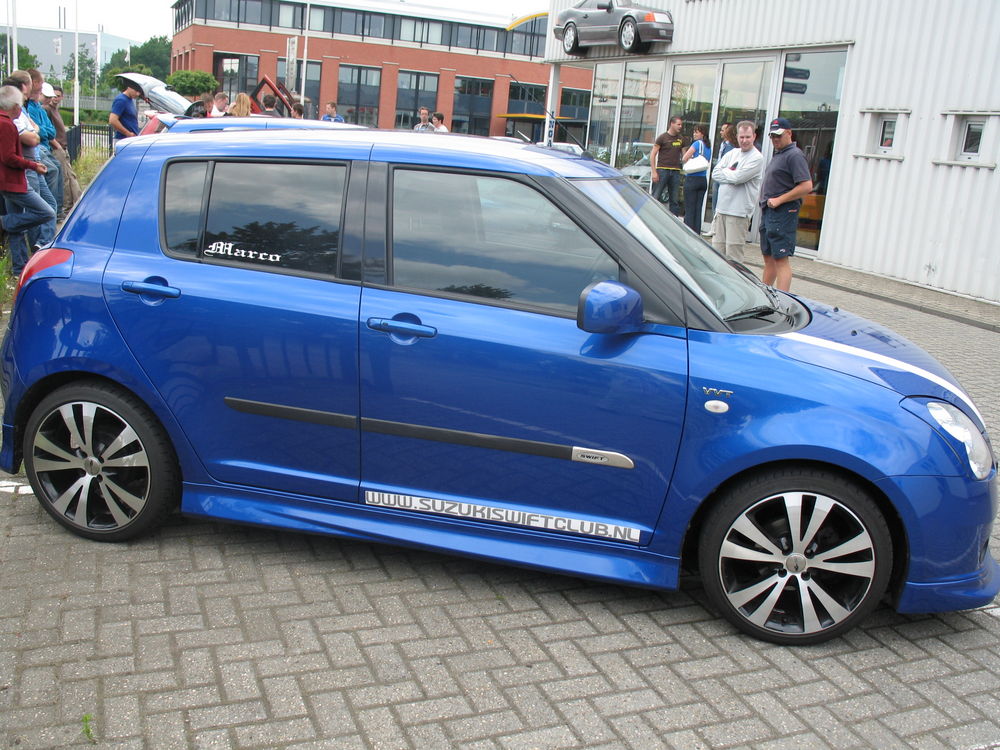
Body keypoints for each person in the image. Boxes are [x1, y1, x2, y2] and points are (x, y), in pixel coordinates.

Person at [0, 84, 55, 278]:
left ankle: (19, 268)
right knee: (46, 212)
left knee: (16, 227)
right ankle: (3, 222)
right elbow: (8, 157)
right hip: (13, 181)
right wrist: (33, 165)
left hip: (8, 181)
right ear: (15, 106)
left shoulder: (4, 122)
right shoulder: (7, 125)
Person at [759, 117, 812, 291]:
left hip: (782, 213)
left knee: (781, 259)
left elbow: (806, 186)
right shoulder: (780, 154)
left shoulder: (794, 155)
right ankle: (765, 293)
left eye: (778, 135)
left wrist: (779, 200)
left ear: (789, 133)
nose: (775, 139)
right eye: (772, 136)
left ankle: (783, 299)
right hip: (769, 211)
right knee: (769, 257)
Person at [710, 120, 763, 264]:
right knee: (716, 255)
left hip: (739, 213)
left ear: (754, 136)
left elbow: (739, 178)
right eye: (741, 137)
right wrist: (732, 175)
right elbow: (715, 174)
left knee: (734, 259)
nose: (744, 140)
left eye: (748, 137)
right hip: (721, 211)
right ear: (737, 137)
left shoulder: (757, 158)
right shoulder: (731, 153)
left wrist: (727, 172)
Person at [40, 83, 81, 218]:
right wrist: (57, 146)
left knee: (70, 176)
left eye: (57, 96)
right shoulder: (46, 109)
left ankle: (74, 203)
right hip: (56, 148)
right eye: (52, 96)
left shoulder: (54, 109)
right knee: (63, 178)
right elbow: (48, 132)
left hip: (62, 146)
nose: (54, 99)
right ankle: (65, 207)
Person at [26, 70, 62, 224]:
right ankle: (52, 215)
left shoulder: (39, 109)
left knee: (56, 168)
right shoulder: (30, 108)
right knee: (52, 170)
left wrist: (41, 130)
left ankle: (55, 212)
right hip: (37, 150)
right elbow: (37, 133)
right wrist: (41, 131)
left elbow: (49, 131)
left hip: (41, 148)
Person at [649, 116, 685, 215]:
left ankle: (674, 220)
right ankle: (650, 217)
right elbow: (653, 154)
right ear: (671, 124)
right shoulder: (662, 138)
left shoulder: (681, 139)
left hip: (675, 171)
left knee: (674, 199)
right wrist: (654, 172)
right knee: (655, 196)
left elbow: (684, 156)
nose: (680, 126)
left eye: (681, 125)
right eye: (678, 124)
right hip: (662, 170)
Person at [681, 124, 711, 234]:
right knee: (698, 210)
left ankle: (687, 233)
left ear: (702, 134)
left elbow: (684, 158)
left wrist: (687, 154)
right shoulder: (708, 146)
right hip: (702, 179)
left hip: (692, 179)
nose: (694, 134)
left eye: (696, 132)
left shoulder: (697, 144)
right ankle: (696, 233)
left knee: (689, 209)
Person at [710, 122, 738, 220]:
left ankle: (715, 222)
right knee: (715, 201)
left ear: (728, 132)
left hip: (722, 177)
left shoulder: (730, 147)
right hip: (718, 176)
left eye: (723, 130)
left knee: (718, 203)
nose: (721, 132)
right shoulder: (723, 144)